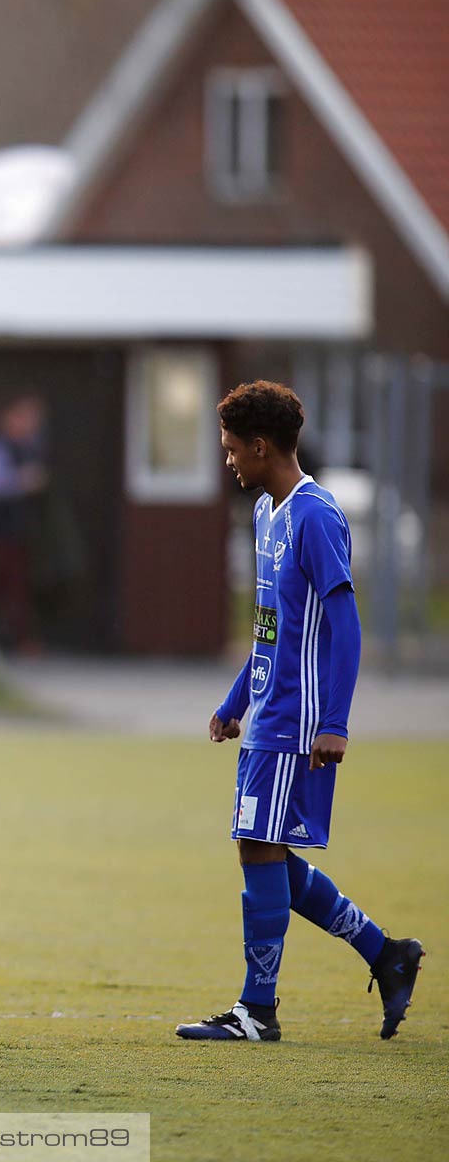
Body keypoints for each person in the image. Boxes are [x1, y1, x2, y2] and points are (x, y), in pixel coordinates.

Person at [176, 381, 424, 1043]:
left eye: (232, 449)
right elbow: (270, 627)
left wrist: (336, 721)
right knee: (263, 849)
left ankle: (258, 1010)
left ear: (261, 446)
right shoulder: (265, 512)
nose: (226, 459)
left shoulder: (316, 516)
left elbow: (346, 626)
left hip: (299, 720)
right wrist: (234, 703)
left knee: (257, 845)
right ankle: (386, 953)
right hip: (265, 716)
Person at [0, 394, 48, 654]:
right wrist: (21, 481)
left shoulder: (29, 447)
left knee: (19, 588)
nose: (30, 426)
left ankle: (16, 640)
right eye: (25, 418)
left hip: (21, 532)